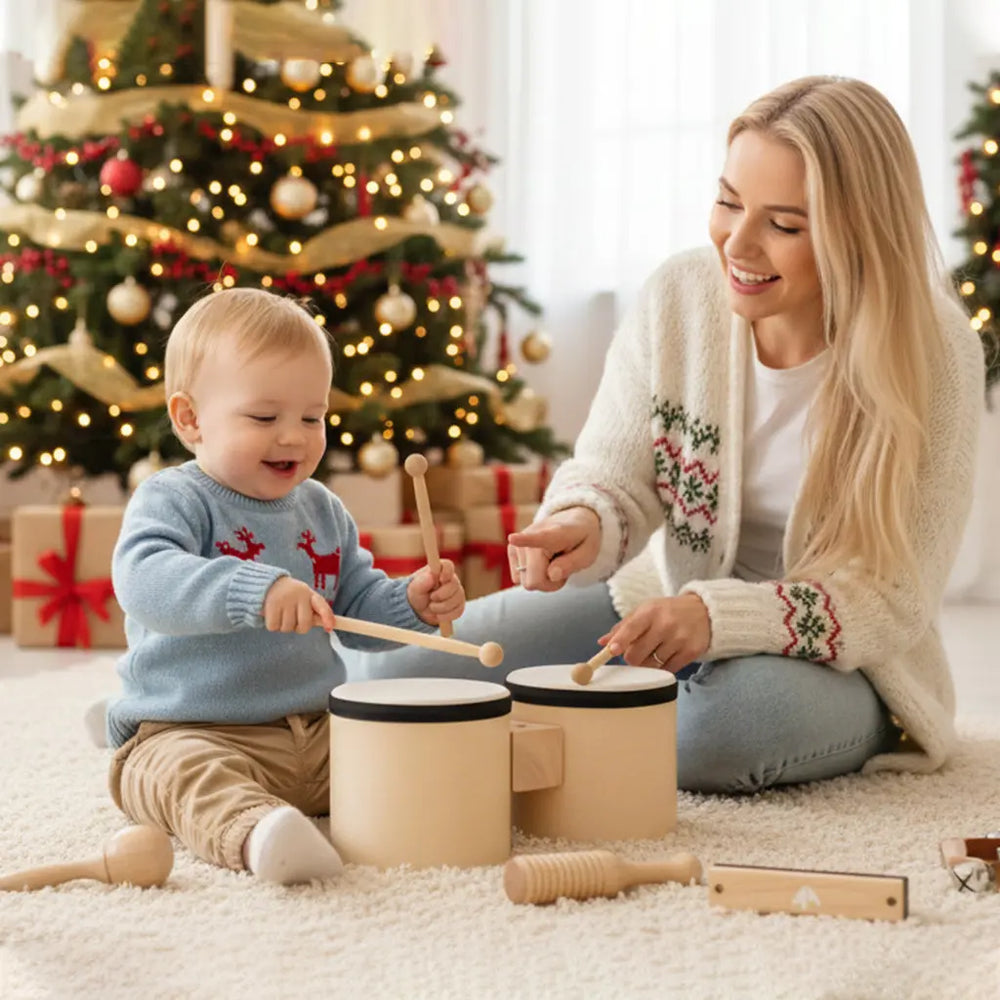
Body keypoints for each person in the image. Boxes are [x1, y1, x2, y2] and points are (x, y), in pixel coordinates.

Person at [350, 75, 985, 794]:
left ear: (858, 234)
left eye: (783, 224)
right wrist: (582, 523)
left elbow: (892, 599)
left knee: (710, 737)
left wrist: (715, 618)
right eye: (727, 202)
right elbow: (614, 471)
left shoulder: (934, 352)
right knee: (397, 673)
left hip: (848, 662)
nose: (736, 244)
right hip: (665, 605)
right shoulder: (679, 297)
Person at [105, 288, 464, 884]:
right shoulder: (174, 498)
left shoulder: (322, 508)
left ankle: (327, 806)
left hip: (316, 728)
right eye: (265, 418)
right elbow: (144, 580)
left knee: (405, 752)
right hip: (196, 725)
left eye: (312, 417)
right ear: (190, 418)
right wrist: (256, 589)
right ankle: (257, 833)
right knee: (174, 774)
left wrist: (411, 603)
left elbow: (354, 607)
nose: (294, 436)